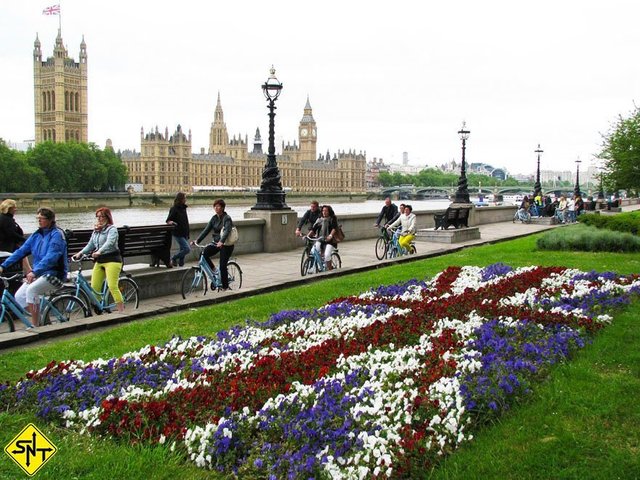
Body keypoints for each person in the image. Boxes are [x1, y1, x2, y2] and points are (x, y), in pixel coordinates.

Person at [0, 207, 68, 327]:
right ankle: (43, 315)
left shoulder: (57, 234)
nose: (39, 221)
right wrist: (3, 266)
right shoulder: (36, 235)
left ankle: (37, 327)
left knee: (31, 291)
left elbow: (52, 257)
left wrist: (34, 272)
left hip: (55, 273)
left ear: (50, 220)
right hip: (39, 273)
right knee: (19, 296)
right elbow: (21, 251)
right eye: (38, 218)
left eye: (42, 218)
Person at [71, 208, 124, 313]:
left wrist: (99, 251)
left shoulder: (112, 229)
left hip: (112, 260)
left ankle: (122, 311)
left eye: (102, 216)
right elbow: (90, 244)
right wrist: (80, 253)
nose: (99, 219)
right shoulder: (96, 230)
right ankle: (100, 308)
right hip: (100, 261)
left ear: (107, 217)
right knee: (94, 287)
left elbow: (110, 242)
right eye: (98, 216)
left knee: (112, 286)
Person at [193, 198, 234, 290]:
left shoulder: (227, 218)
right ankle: (214, 270)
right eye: (215, 206)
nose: (216, 208)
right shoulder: (214, 218)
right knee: (203, 254)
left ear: (222, 208)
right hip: (216, 243)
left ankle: (225, 287)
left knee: (223, 265)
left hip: (226, 245)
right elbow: (206, 230)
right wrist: (197, 241)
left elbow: (227, 231)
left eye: (218, 206)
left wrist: (221, 241)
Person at [0, 199, 30, 294]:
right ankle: (29, 271)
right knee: (21, 251)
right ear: (9, 208)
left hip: (7, 246)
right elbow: (12, 234)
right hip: (7, 248)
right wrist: (26, 241)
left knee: (21, 251)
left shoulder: (5, 218)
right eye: (14, 207)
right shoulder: (7, 220)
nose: (16, 209)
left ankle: (29, 271)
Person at [310, 204, 340, 270]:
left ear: (329, 212)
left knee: (327, 255)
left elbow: (334, 228)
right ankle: (319, 264)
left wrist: (330, 235)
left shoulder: (332, 219)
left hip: (330, 241)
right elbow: (313, 229)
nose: (324, 212)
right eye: (323, 210)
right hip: (321, 239)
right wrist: (307, 236)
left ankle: (330, 271)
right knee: (313, 251)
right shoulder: (320, 219)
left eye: (326, 211)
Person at [166, 192, 191, 267]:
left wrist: (188, 233)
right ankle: (173, 258)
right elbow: (168, 220)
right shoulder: (174, 209)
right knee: (187, 249)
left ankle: (181, 266)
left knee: (182, 252)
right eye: (184, 198)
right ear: (181, 199)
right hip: (177, 233)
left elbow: (186, 221)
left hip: (185, 232)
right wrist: (172, 222)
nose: (186, 199)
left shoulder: (184, 208)